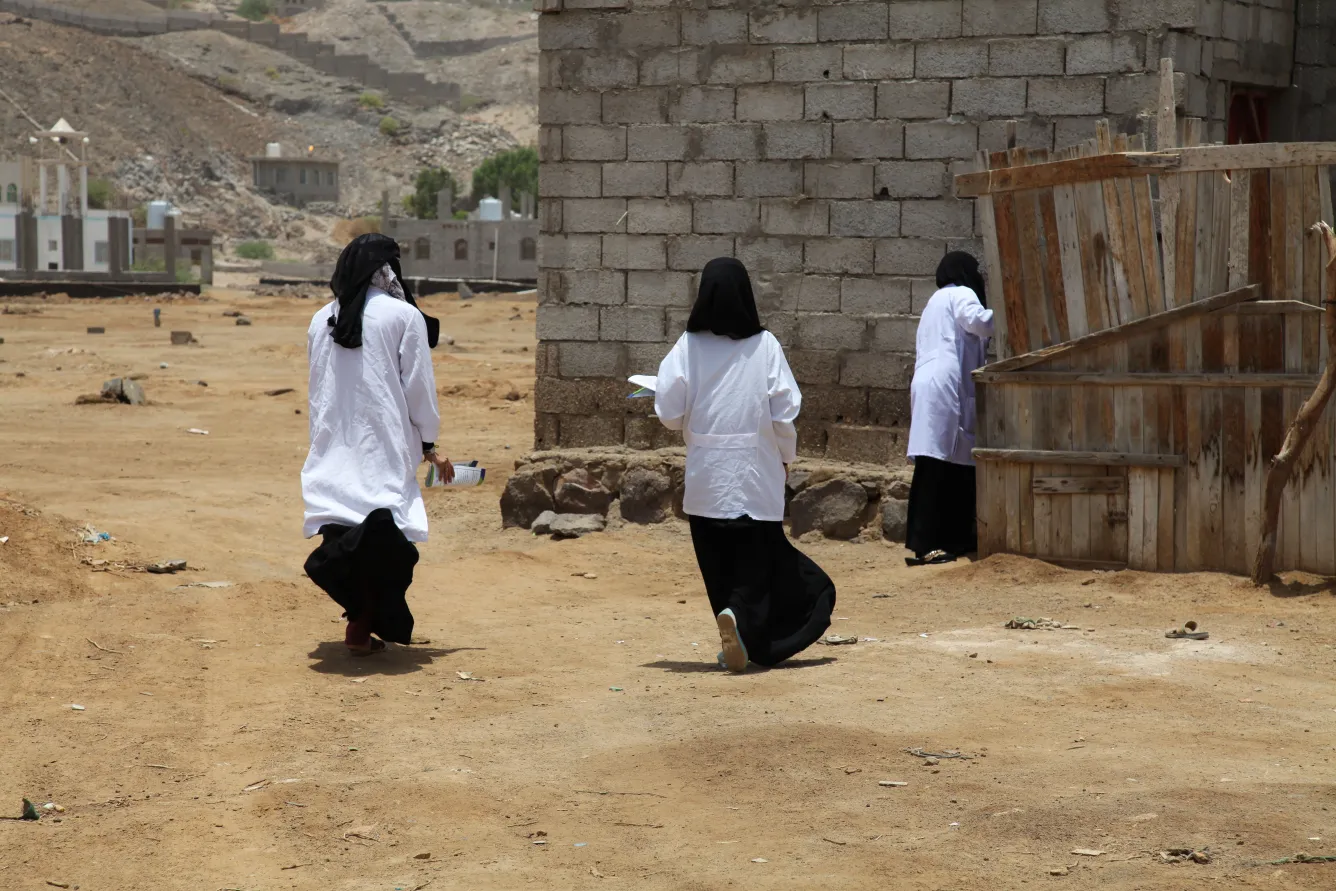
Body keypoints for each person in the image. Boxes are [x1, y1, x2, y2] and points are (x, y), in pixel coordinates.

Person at [653, 257, 836, 673]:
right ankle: (739, 621)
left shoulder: (687, 346)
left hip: (706, 480)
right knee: (757, 566)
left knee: (718, 565)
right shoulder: (764, 346)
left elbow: (668, 411)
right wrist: (785, 457)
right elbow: (783, 412)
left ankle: (736, 628)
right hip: (754, 477)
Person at [300, 233, 453, 656]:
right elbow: (418, 386)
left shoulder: (320, 318)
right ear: (387, 270)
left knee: (344, 531)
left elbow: (317, 388)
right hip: (383, 445)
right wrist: (427, 440)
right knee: (384, 542)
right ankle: (362, 623)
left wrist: (320, 440)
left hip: (332, 444)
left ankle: (359, 623)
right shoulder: (403, 316)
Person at [905, 251, 994, 566]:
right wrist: (1010, 314)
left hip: (933, 385)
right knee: (935, 467)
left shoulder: (935, 301)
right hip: (944, 386)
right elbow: (979, 322)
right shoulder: (960, 293)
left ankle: (955, 539)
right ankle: (925, 545)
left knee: (952, 466)